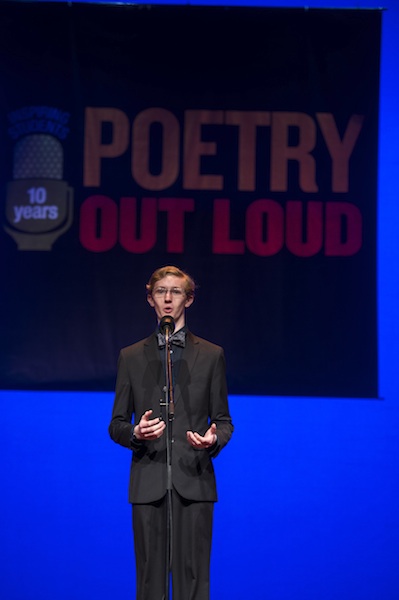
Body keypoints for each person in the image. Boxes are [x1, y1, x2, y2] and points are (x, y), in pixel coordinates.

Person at [109, 265, 233, 600]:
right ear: (150, 298)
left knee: (194, 579)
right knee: (149, 581)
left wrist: (213, 439)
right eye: (161, 291)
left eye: (176, 292)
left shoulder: (211, 355)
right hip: (148, 482)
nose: (167, 298)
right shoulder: (131, 356)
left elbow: (223, 420)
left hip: (194, 479)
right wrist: (136, 431)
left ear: (189, 299)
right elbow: (116, 424)